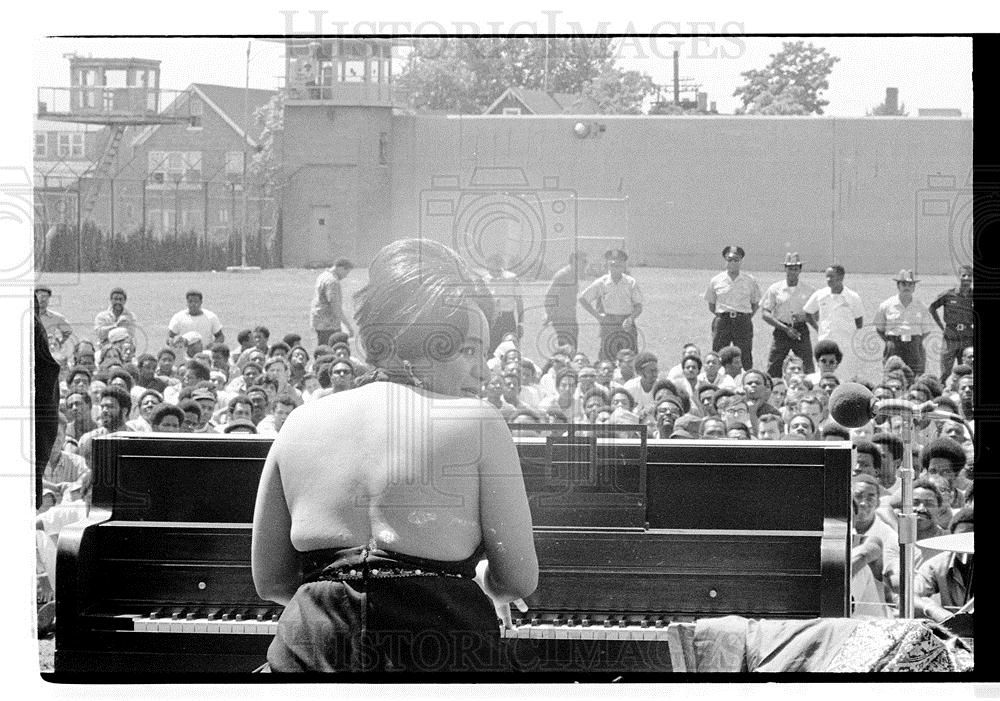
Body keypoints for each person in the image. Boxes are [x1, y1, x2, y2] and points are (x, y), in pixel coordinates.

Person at [252, 238, 538, 673]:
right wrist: (480, 583)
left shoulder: (298, 424)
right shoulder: (480, 422)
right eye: (469, 350)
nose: (484, 370)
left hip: (308, 660)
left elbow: (270, 579)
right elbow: (518, 579)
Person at [578, 249, 643, 362]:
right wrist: (598, 316)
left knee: (629, 358)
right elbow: (583, 299)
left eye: (619, 265)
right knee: (607, 358)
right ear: (607, 266)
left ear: (624, 266)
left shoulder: (630, 282)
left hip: (626, 323)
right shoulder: (601, 283)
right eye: (612, 265)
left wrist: (631, 318)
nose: (615, 268)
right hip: (609, 323)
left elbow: (638, 306)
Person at [803, 264, 865, 382]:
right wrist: (818, 328)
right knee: (823, 375)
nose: (828, 280)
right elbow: (807, 312)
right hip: (825, 342)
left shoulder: (852, 297)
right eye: (827, 277)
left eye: (831, 276)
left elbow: (859, 322)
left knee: (845, 375)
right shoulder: (820, 294)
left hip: (845, 344)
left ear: (841, 277)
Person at [705, 245, 761, 372]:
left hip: (742, 322)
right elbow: (711, 304)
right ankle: (717, 380)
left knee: (745, 355)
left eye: (736, 259)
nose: (733, 263)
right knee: (719, 354)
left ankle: (745, 379)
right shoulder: (716, 280)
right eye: (729, 259)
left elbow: (755, 303)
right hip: (722, 321)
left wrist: (744, 316)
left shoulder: (750, 280)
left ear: (741, 261)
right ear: (725, 260)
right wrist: (724, 315)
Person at [761, 252, 816, 378]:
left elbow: (817, 313)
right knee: (774, 364)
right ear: (785, 269)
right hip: (781, 330)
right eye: (790, 268)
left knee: (807, 365)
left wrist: (805, 317)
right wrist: (785, 328)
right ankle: (773, 390)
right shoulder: (775, 289)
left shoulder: (809, 290)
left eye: (795, 269)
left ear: (800, 270)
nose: (792, 272)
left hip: (800, 330)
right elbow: (765, 313)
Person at [873, 269, 934, 375]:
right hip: (893, 345)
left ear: (914, 287)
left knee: (916, 376)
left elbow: (926, 331)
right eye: (903, 284)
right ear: (898, 286)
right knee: (892, 375)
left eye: (910, 284)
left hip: (914, 346)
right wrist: (891, 341)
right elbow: (879, 329)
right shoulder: (886, 305)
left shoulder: (922, 307)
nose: (907, 287)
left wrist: (914, 339)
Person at [929, 265, 974, 381]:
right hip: (950, 339)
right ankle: (942, 396)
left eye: (969, 275)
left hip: (968, 338)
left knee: (967, 371)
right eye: (964, 275)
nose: (967, 278)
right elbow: (932, 307)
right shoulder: (948, 294)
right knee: (945, 373)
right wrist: (940, 326)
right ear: (959, 277)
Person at [543, 251, 588, 350]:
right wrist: (549, 314)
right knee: (567, 348)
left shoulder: (573, 274)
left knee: (570, 347)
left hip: (569, 316)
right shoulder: (563, 275)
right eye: (584, 261)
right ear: (574, 261)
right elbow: (550, 295)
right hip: (562, 318)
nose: (586, 264)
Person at [482, 253, 524, 354]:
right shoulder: (484, 280)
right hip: (491, 320)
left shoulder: (512, 279)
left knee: (510, 350)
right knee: (491, 350)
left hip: (507, 319)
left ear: (500, 266)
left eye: (493, 269)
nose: (491, 272)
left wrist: (521, 323)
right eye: (489, 269)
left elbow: (519, 302)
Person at [310, 258, 355, 346]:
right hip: (328, 325)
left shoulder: (323, 276)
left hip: (318, 321)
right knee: (331, 350)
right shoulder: (332, 282)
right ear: (341, 268)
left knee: (323, 348)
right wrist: (348, 326)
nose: (346, 276)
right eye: (346, 272)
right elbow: (335, 307)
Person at [35, 285, 74, 363]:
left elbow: (68, 330)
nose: (43, 299)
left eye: (46, 297)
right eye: (40, 296)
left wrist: (60, 341)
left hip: (48, 351)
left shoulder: (55, 317)